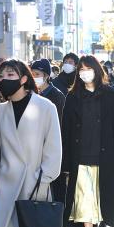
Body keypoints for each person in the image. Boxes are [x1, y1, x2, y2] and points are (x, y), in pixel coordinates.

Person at [0, 59, 62, 227]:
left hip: (34, 184)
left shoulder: (45, 107)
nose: (3, 80)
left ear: (24, 78)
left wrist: (44, 178)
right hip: (6, 186)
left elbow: (54, 147)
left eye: (10, 75)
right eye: (0, 76)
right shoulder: (0, 110)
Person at [61, 55, 114, 227]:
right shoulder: (73, 96)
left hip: (105, 157)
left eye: (88, 68)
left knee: (103, 198)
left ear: (97, 70)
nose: (84, 72)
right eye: (81, 69)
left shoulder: (109, 94)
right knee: (84, 201)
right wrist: (65, 163)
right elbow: (66, 130)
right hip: (80, 157)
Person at [31, 59, 67, 203]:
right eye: (32, 73)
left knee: (52, 193)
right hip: (33, 151)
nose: (34, 77)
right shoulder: (29, 94)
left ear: (46, 76)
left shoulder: (57, 96)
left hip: (50, 148)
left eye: (37, 74)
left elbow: (61, 126)